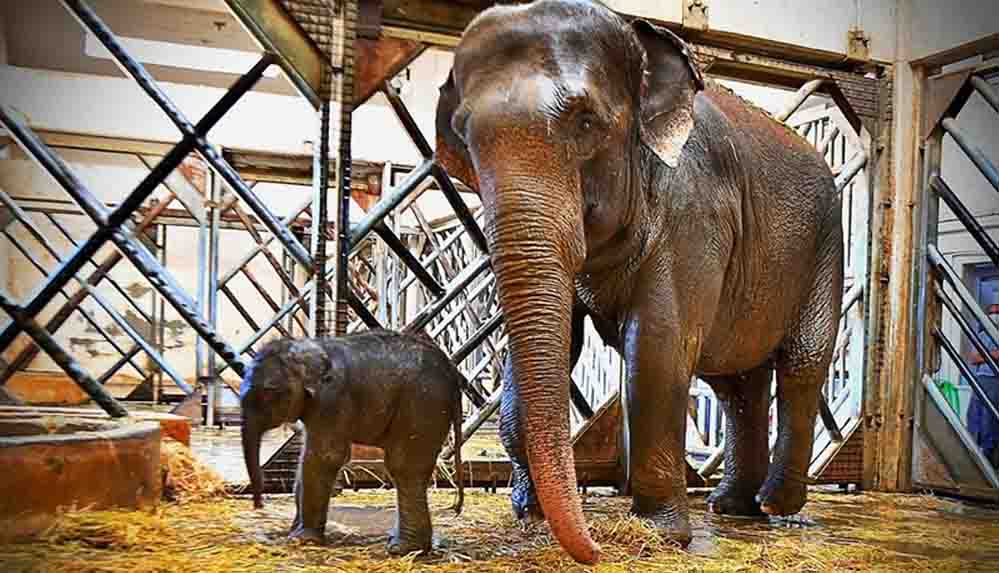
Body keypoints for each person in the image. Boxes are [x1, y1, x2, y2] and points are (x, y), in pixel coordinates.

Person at [966, 304, 999, 468]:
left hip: (995, 379)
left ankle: (988, 457)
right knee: (973, 415)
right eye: (992, 313)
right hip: (979, 378)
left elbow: (979, 357)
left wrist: (984, 355)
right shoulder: (982, 334)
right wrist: (993, 355)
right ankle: (971, 452)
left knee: (989, 419)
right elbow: (973, 358)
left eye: (997, 313)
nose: (995, 316)